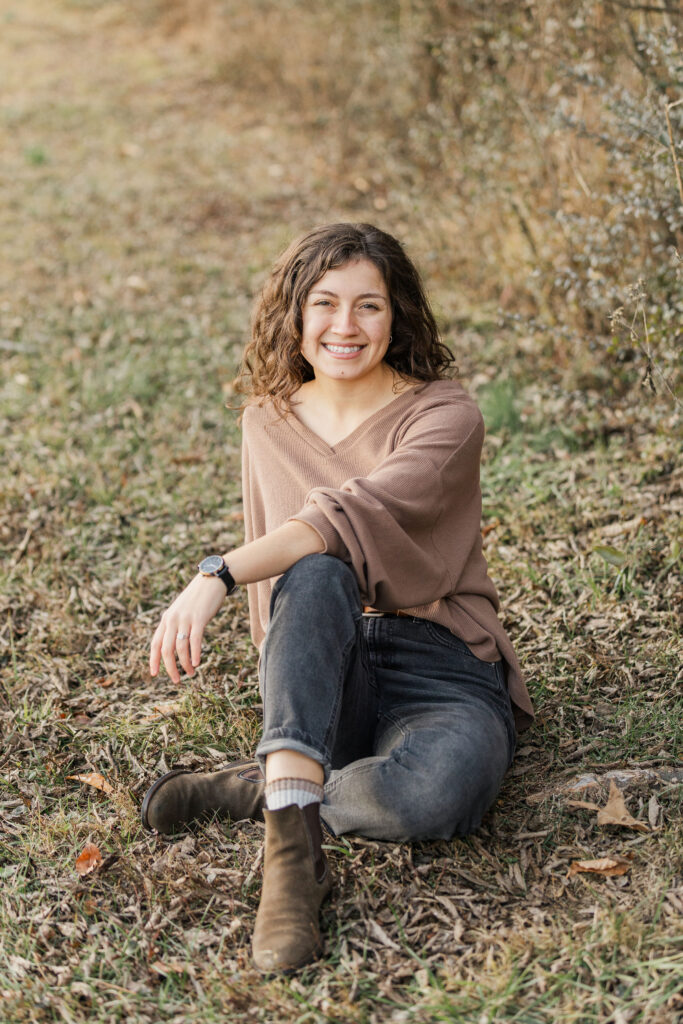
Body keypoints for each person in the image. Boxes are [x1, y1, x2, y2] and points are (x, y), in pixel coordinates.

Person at [141, 222, 534, 973]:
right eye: (323, 303)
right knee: (316, 573)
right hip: (330, 655)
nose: (343, 327)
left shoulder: (444, 416)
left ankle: (269, 787)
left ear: (398, 316)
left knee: (433, 797)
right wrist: (292, 675)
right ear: (294, 314)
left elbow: (339, 519)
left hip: (441, 666)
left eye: (368, 307)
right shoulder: (267, 421)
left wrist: (215, 573)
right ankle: (291, 871)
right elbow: (295, 577)